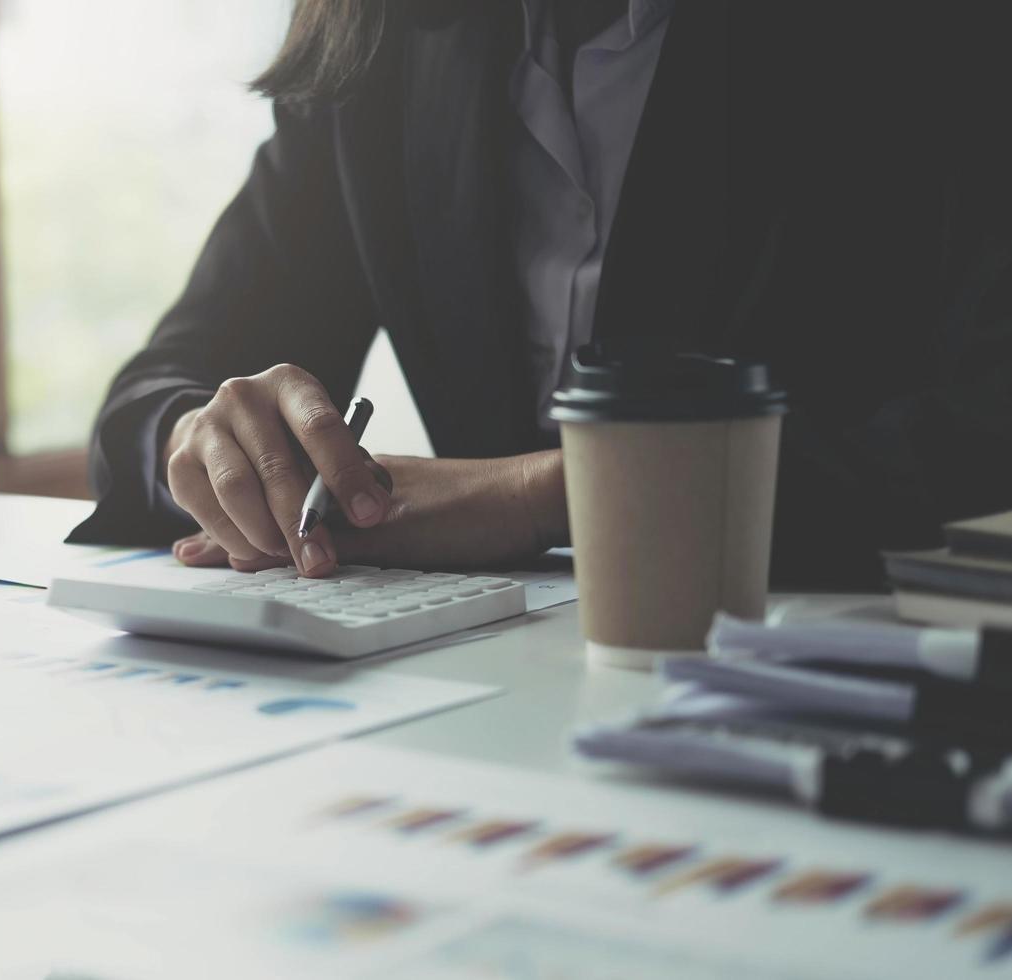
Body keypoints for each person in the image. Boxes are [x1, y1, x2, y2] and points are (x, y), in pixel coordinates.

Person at [69, 0, 1012, 589]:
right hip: (495, 685)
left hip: (856, 675)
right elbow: (155, 398)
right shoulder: (383, 45)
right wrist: (201, 445)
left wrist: (546, 494)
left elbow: (985, 438)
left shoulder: (938, 35)